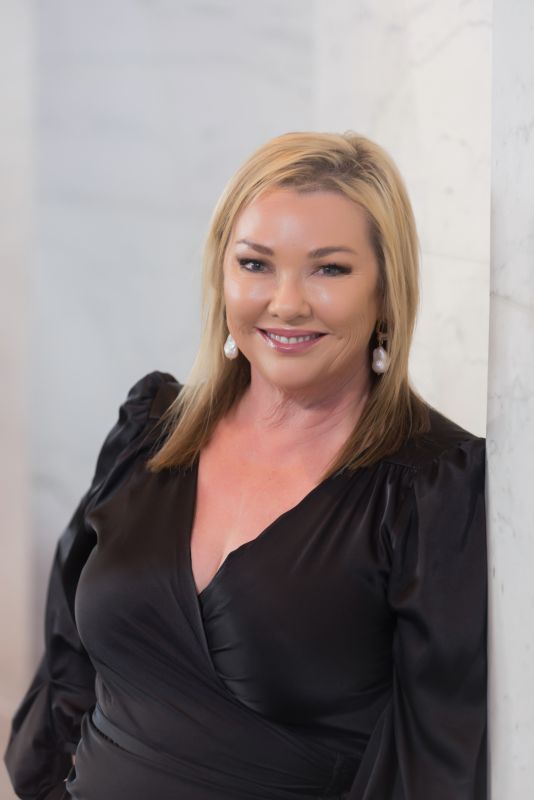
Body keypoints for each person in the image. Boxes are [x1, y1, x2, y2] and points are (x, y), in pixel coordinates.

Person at [4, 132, 487, 800]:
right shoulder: (150, 430)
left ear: (386, 290)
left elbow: (432, 765)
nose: (286, 302)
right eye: (256, 264)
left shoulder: (433, 486)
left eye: (329, 269)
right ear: (222, 274)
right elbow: (68, 663)